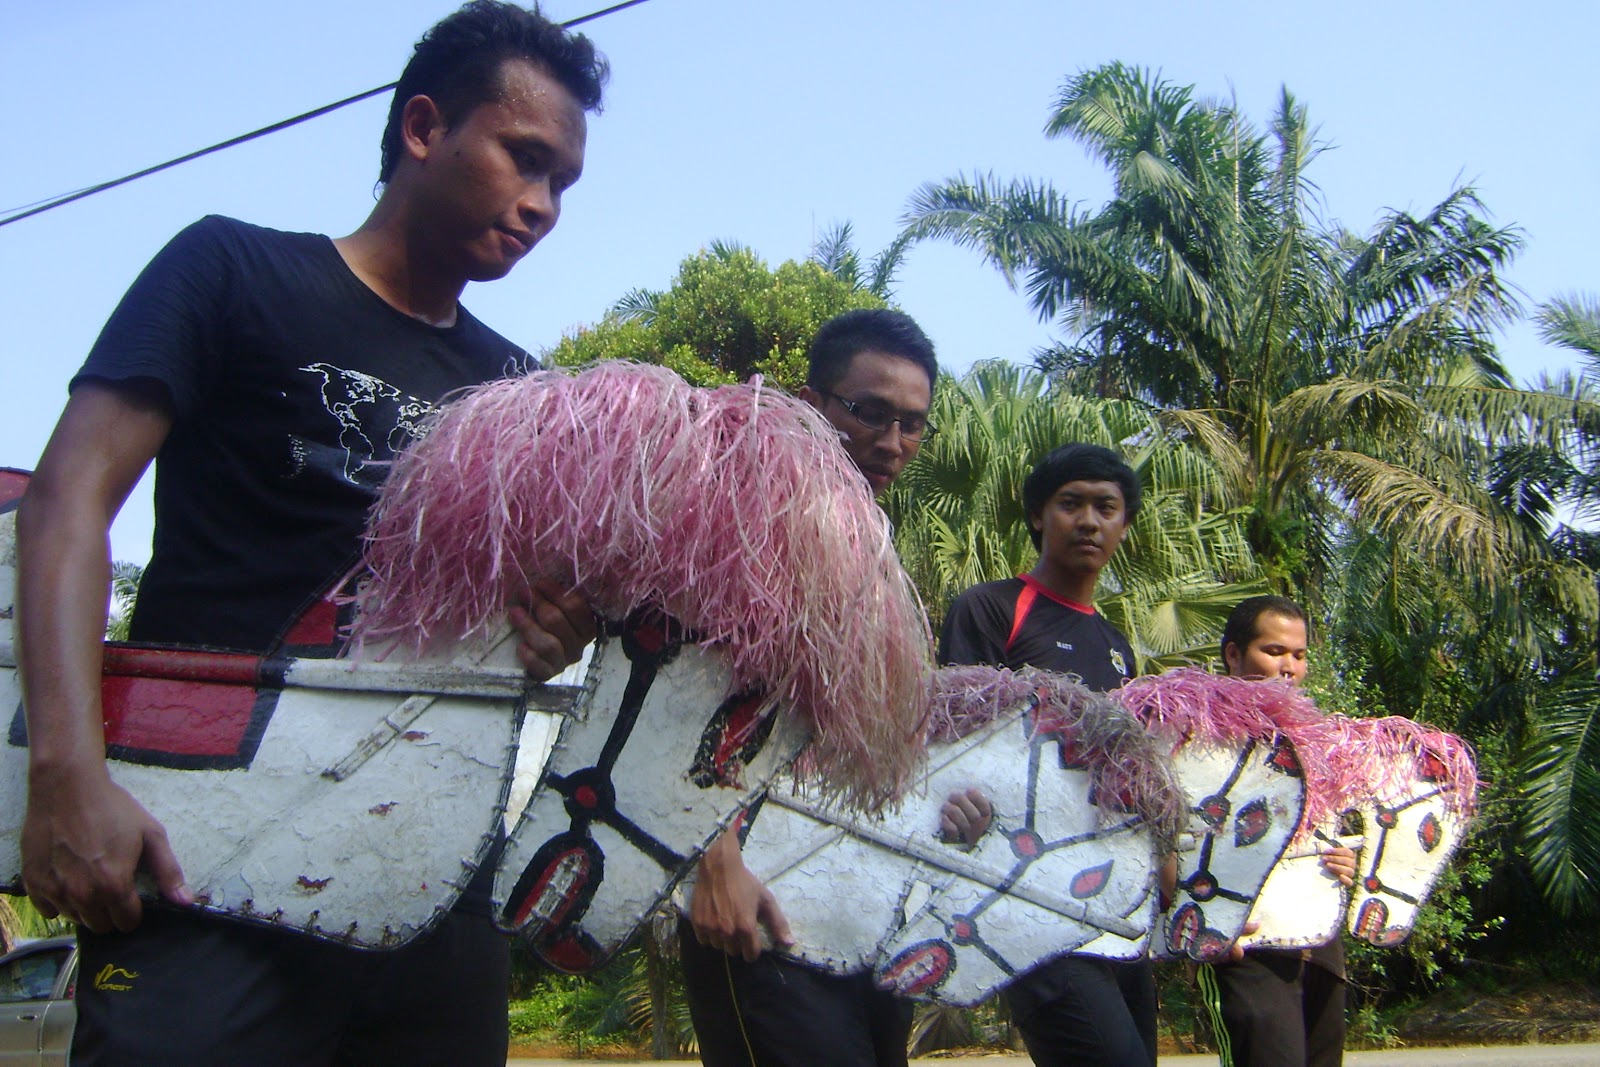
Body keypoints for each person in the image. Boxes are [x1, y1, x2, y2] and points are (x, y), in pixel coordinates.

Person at [15, 4, 605, 1064]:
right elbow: (67, 502)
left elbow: (528, 629)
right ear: (423, 128)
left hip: (434, 890)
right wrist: (68, 771)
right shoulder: (232, 271)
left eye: (562, 184)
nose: (543, 206)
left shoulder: (523, 390)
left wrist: (551, 626)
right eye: (526, 159)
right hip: (204, 854)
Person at [677, 308, 940, 1067]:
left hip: (858, 895)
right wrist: (713, 855)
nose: (891, 442)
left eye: (912, 424)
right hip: (757, 894)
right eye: (870, 412)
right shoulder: (735, 513)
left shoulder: (868, 546)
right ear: (808, 400)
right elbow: (671, 688)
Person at [938, 442, 1156, 1067]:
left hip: (1113, 893)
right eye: (1071, 504)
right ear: (1039, 516)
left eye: (1106, 508)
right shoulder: (992, 609)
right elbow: (955, 739)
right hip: (1026, 887)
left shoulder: (1116, 646)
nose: (1088, 520)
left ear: (1123, 525)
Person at [1196, 595, 1356, 1067]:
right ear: (1232, 655)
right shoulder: (1194, 736)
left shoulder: (1317, 742)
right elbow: (1171, 840)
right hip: (1247, 945)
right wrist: (1201, 917)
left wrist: (1346, 862)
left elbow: (1331, 833)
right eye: (1274, 651)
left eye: (1299, 655)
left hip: (1320, 942)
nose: (1289, 667)